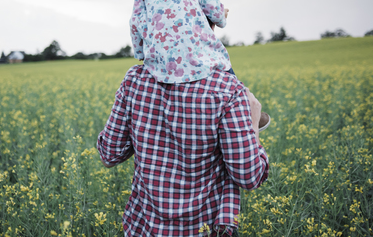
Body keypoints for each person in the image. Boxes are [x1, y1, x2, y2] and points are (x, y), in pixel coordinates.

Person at [129, 0, 271, 131]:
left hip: (160, 66)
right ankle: (248, 112)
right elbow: (215, 12)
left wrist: (140, 53)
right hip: (199, 59)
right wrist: (222, 17)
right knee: (228, 74)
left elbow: (136, 23)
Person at [97, 65, 269, 236]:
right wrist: (253, 123)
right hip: (207, 228)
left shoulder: (135, 79)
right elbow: (249, 176)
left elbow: (109, 154)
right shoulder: (226, 87)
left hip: (144, 229)